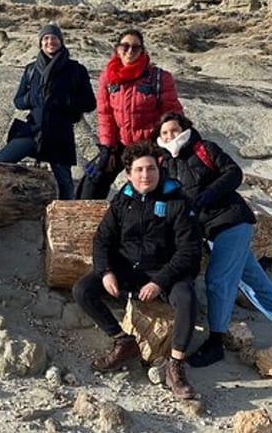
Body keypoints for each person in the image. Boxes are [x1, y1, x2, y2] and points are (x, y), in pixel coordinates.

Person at [152, 111, 272, 367]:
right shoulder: (165, 164)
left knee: (218, 280)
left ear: (184, 129)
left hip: (231, 220)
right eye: (164, 133)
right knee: (252, 279)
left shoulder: (204, 148)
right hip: (207, 231)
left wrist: (209, 194)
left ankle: (216, 342)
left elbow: (233, 173)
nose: (169, 136)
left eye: (174, 130)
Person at [72, 142, 201, 400]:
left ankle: (175, 365)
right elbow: (102, 240)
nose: (145, 175)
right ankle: (123, 341)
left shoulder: (176, 200)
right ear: (129, 174)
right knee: (82, 290)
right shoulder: (124, 199)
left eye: (150, 168)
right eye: (139, 170)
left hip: (166, 271)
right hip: (127, 268)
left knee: (187, 299)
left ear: (158, 168)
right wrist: (106, 270)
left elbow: (189, 251)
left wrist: (160, 282)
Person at [0, 22, 96, 199]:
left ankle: (66, 218)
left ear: (61, 41)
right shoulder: (31, 70)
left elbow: (90, 103)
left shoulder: (75, 70)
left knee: (65, 182)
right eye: (46, 38)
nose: (50, 42)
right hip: (33, 131)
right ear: (41, 43)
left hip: (60, 133)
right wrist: (31, 99)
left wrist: (65, 101)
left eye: (54, 38)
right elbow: (18, 101)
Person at [78, 29, 182, 199]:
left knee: (153, 186)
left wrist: (167, 149)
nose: (130, 51)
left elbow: (173, 115)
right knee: (93, 179)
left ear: (142, 51)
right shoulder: (108, 78)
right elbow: (106, 115)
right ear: (117, 49)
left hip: (151, 144)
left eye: (135, 47)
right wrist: (107, 149)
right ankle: (83, 219)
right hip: (122, 143)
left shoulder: (159, 78)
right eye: (125, 46)